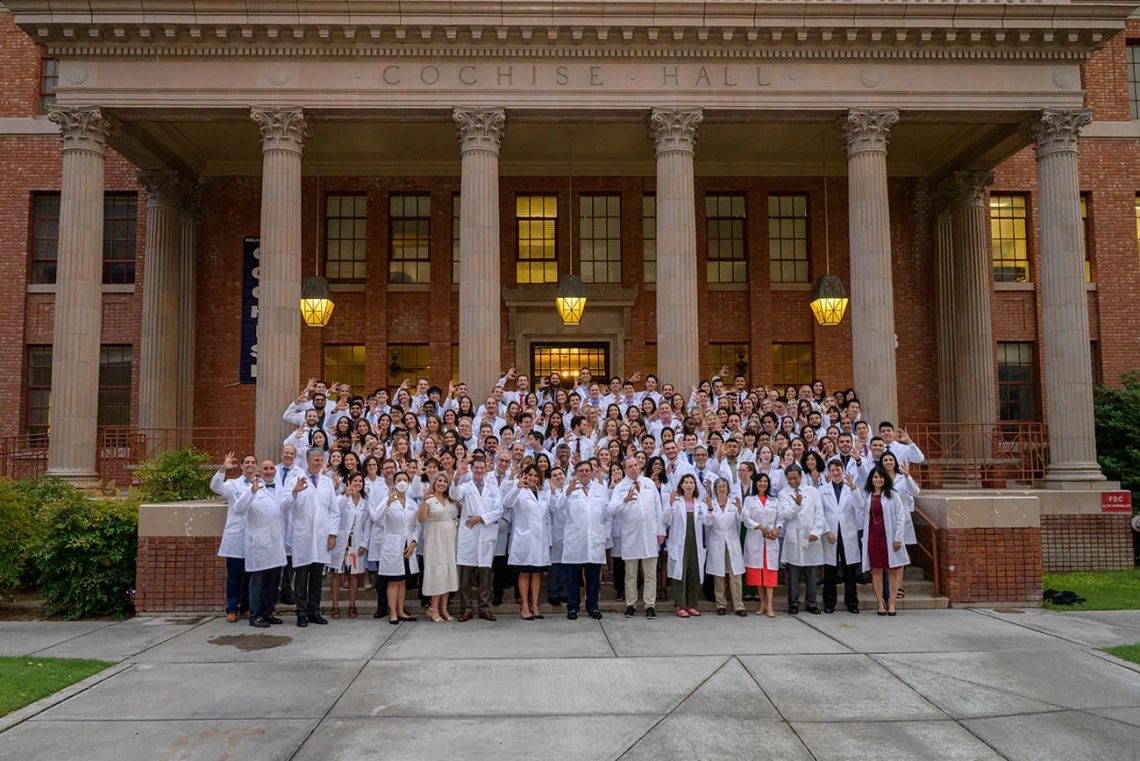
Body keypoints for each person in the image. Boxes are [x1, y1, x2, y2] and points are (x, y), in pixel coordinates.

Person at [281, 447, 341, 627]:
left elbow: (334, 511)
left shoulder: (327, 482)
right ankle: (301, 613)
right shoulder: (294, 480)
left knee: (316, 578)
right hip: (303, 536)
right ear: (307, 461)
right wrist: (295, 492)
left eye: (321, 460)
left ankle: (314, 611)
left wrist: (332, 534)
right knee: (301, 578)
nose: (319, 463)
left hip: (322, 537)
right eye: (316, 460)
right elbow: (284, 506)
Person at [233, 460, 288, 628]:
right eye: (265, 468)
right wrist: (252, 492)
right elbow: (238, 508)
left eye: (272, 468)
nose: (269, 471)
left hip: (276, 541)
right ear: (260, 471)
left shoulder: (280, 489)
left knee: (273, 582)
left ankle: (268, 612)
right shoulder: (251, 488)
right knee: (257, 582)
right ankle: (255, 615)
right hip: (259, 542)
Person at [554, 460, 612, 620]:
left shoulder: (600, 489)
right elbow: (558, 506)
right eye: (581, 471)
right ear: (576, 473)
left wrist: (605, 534)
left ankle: (592, 606)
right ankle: (573, 607)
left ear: (593, 472)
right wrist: (567, 492)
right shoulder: (569, 488)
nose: (585, 473)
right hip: (575, 540)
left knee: (593, 577)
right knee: (572, 577)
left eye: (587, 470)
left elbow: (608, 515)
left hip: (595, 539)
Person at [449, 453, 503, 622]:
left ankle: (484, 608)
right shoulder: (465, 486)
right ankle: (466, 608)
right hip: (469, 535)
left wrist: (481, 518)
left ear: (486, 469)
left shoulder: (493, 488)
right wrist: (457, 476)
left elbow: (499, 510)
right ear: (471, 470)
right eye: (476, 468)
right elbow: (454, 495)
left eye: (482, 468)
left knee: (485, 576)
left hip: (485, 532)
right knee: (465, 576)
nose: (479, 470)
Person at [610, 456, 665, 618]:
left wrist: (660, 531)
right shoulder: (620, 487)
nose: (634, 468)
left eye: (636, 465)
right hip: (631, 536)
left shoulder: (649, 484)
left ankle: (649, 605)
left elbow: (658, 509)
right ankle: (631, 604)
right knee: (631, 573)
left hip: (649, 534)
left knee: (650, 573)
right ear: (625, 470)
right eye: (630, 466)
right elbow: (611, 509)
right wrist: (624, 500)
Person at [855, 465, 909, 616]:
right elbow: (858, 505)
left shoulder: (892, 495)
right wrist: (853, 488)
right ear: (871, 480)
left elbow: (900, 517)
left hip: (890, 538)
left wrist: (898, 538)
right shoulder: (867, 496)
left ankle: (892, 603)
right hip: (873, 537)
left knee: (892, 570)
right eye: (875, 477)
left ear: (885, 479)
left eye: (880, 477)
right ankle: (880, 603)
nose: (878, 480)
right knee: (877, 570)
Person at [507, 463, 555, 621]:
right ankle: (525, 606)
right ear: (524, 475)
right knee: (524, 572)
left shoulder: (542, 494)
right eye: (530, 475)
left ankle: (535, 605)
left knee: (537, 573)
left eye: (536, 475)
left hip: (540, 540)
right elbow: (506, 503)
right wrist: (517, 487)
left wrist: (549, 539)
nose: (533, 478)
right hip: (524, 538)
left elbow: (547, 518)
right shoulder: (519, 491)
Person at [371, 471, 420, 624]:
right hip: (393, 544)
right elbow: (376, 518)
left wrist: (414, 543)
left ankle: (401, 610)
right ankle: (393, 612)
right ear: (394, 483)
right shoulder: (387, 500)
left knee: (403, 580)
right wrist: (388, 503)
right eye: (399, 480)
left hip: (407, 545)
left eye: (405, 480)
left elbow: (417, 526)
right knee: (393, 581)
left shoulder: (412, 503)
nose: (402, 482)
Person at [211, 452, 255, 622]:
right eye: (247, 463)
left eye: (253, 462)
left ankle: (246, 608)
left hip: (254, 537)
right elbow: (215, 487)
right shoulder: (232, 484)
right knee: (235, 577)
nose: (250, 465)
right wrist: (223, 468)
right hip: (236, 536)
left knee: (250, 577)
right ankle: (232, 608)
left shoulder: (262, 485)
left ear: (256, 466)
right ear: (242, 466)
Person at [778, 465, 826, 615]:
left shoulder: (813, 492)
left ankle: (812, 603)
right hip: (794, 537)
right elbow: (786, 515)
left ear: (801, 476)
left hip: (811, 536)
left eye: (795, 478)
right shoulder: (783, 494)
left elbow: (819, 513)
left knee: (812, 574)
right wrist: (797, 505)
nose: (792, 481)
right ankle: (793, 603)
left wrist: (816, 532)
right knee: (793, 574)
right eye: (790, 479)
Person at [664, 473, 713, 618]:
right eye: (686, 482)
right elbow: (665, 519)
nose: (689, 485)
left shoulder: (700, 504)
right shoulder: (677, 502)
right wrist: (670, 505)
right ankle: (680, 605)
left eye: (691, 482)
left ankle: (692, 604)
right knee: (681, 574)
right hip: (679, 543)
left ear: (695, 486)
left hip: (695, 543)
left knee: (694, 573)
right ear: (681, 486)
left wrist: (710, 507)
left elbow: (708, 522)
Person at [819, 459, 862, 614]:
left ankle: (852, 603)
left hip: (847, 533)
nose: (836, 473)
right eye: (832, 470)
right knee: (830, 570)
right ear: (829, 472)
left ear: (843, 470)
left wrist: (853, 488)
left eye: (838, 470)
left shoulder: (850, 488)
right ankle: (829, 603)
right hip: (830, 534)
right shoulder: (822, 490)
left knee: (849, 570)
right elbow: (820, 513)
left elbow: (860, 505)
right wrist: (827, 531)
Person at [418, 472, 460, 622]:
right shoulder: (429, 500)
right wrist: (423, 500)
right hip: (435, 540)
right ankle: (433, 608)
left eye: (444, 481)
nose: (442, 483)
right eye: (439, 481)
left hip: (450, 539)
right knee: (437, 571)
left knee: (448, 570)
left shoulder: (451, 501)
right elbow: (421, 518)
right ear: (434, 483)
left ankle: (444, 608)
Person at [328, 472, 369, 619]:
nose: (357, 484)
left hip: (356, 543)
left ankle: (352, 605)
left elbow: (367, 524)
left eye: (360, 481)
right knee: (337, 574)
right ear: (349, 483)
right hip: (341, 542)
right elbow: (336, 511)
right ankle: (335, 605)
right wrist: (346, 494)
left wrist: (365, 542)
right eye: (355, 481)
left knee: (354, 576)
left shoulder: (365, 501)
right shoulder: (341, 498)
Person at [705, 478, 747, 617]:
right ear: (715, 489)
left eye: (724, 486)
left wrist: (740, 509)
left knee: (736, 575)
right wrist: (710, 508)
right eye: (719, 486)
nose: (722, 489)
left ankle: (738, 605)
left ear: (727, 488)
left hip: (732, 543)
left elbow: (743, 520)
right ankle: (721, 604)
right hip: (717, 543)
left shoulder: (733, 503)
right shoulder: (711, 504)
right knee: (719, 576)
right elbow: (707, 522)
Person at [742, 473, 781, 618]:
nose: (762, 484)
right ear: (755, 483)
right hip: (756, 539)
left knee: (770, 574)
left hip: (770, 540)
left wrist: (777, 529)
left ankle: (770, 606)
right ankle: (762, 604)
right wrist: (760, 527)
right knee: (758, 575)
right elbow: (745, 519)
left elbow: (781, 518)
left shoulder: (774, 500)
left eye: (765, 481)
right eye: (760, 481)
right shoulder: (749, 500)